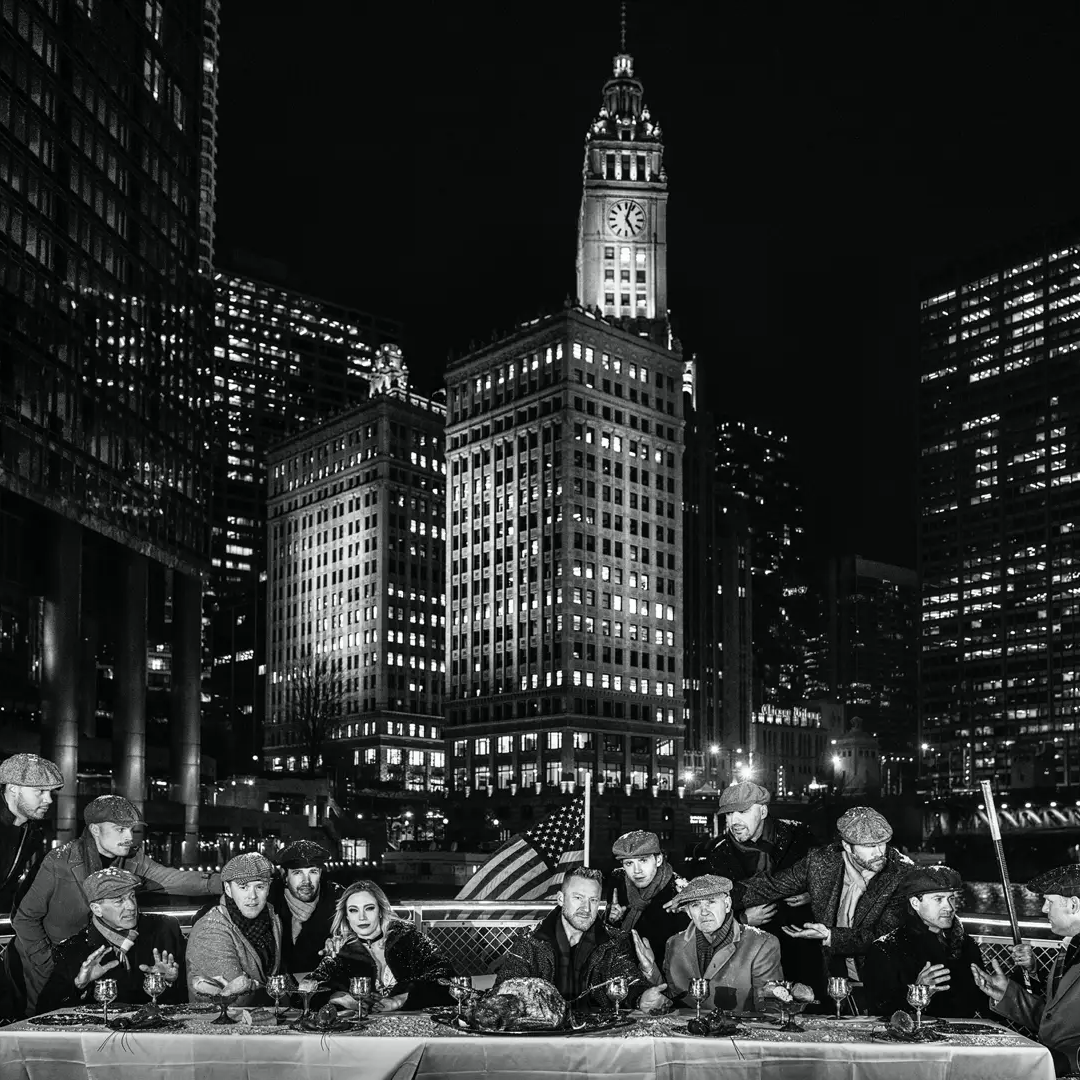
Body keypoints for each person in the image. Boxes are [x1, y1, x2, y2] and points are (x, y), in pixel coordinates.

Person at [13, 794, 221, 1014]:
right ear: (95, 830)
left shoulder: (134, 859)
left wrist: (226, 882)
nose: (129, 837)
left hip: (100, 961)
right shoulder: (59, 862)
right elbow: (24, 918)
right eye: (120, 829)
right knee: (45, 1024)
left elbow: (174, 880)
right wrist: (48, 962)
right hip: (50, 964)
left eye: (131, 829)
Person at [732, 805, 913, 1010]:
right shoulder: (821, 862)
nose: (880, 852)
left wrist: (829, 935)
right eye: (870, 846)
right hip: (834, 983)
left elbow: (882, 936)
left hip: (883, 986)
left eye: (883, 844)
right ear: (847, 845)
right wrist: (720, 896)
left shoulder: (903, 875)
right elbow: (771, 885)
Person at [697, 781, 821, 994]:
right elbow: (709, 909)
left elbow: (830, 878)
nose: (734, 821)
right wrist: (743, 919)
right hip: (748, 954)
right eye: (728, 814)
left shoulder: (800, 836)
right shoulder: (718, 854)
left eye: (743, 812)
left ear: (763, 811)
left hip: (802, 947)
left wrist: (813, 892)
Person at [498, 865, 667, 1011]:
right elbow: (506, 986)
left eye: (593, 900)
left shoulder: (614, 941)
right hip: (543, 1035)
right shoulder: (530, 940)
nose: (586, 908)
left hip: (598, 1035)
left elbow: (626, 978)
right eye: (578, 898)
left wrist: (641, 998)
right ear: (560, 899)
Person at [973, 864, 1080, 1076]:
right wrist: (1007, 994)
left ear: (1074, 905)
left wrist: (1069, 1063)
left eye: (1049, 902)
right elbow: (1053, 1019)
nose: (1043, 909)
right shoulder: (1069, 948)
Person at [35, 867, 186, 1014]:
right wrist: (79, 985)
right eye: (119, 901)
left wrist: (170, 981)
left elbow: (191, 995)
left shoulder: (165, 929)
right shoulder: (74, 949)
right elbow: (45, 1010)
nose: (131, 906)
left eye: (132, 896)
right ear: (96, 909)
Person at [299, 880, 453, 1012]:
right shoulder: (342, 952)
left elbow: (447, 978)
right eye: (353, 910)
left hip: (415, 1030)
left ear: (380, 910)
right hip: (364, 1036)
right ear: (346, 916)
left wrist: (400, 1000)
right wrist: (342, 999)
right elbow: (305, 991)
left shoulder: (409, 939)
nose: (362, 917)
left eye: (369, 908)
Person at [864, 864, 986, 1018]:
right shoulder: (886, 949)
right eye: (938, 899)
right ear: (915, 903)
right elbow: (879, 1012)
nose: (949, 907)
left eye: (951, 898)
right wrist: (915, 991)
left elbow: (983, 1004)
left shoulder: (966, 945)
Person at [0, 753, 64, 1022]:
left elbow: (14, 885)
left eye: (51, 792)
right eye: (40, 792)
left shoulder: (32, 831)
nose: (48, 800)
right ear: (12, 788)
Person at [662, 873, 783, 1012]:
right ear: (689, 912)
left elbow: (770, 1010)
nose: (704, 912)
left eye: (711, 902)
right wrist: (650, 971)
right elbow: (669, 1001)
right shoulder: (674, 944)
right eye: (696, 905)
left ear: (727, 904)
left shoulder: (762, 944)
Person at [187, 852, 280, 1008]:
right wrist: (280, 989)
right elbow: (236, 997)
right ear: (228, 889)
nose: (252, 896)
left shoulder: (271, 917)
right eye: (243, 887)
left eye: (260, 887)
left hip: (261, 1021)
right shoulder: (210, 930)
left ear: (268, 888)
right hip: (215, 1025)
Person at [605, 829, 686, 980]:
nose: (637, 871)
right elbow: (611, 941)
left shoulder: (678, 890)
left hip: (669, 977)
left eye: (643, 860)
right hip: (625, 974)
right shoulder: (618, 884)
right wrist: (612, 921)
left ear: (659, 860)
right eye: (629, 863)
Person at [271, 840, 342, 976]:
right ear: (284, 875)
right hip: (278, 990)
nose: (306, 881)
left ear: (320, 873)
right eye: (298, 873)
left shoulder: (338, 900)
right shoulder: (268, 901)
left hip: (324, 988)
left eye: (313, 872)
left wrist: (342, 943)